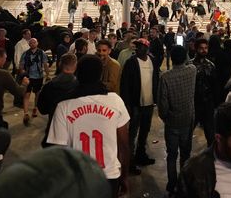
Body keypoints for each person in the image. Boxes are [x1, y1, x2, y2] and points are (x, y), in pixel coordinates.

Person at [48, 56, 130, 198]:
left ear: (77, 74)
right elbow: (124, 145)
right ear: (100, 75)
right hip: (109, 175)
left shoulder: (64, 106)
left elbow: (58, 151)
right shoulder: (115, 101)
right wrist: (124, 176)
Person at [157, 45, 197, 194]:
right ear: (185, 56)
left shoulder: (166, 77)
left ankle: (172, 183)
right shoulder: (192, 71)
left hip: (172, 121)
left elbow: (162, 104)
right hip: (188, 119)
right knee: (186, 154)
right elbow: (192, 63)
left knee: (172, 155)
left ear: (171, 59)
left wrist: (166, 117)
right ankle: (184, 182)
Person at [120, 38, 159, 174]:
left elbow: (156, 79)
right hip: (135, 104)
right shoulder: (131, 63)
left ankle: (141, 155)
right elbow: (124, 85)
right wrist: (127, 104)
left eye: (140, 46)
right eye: (136, 46)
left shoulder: (152, 61)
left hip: (149, 104)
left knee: (144, 131)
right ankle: (129, 163)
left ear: (146, 49)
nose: (137, 48)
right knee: (132, 134)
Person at [37, 53, 78, 147]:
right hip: (74, 132)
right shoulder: (80, 87)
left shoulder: (49, 86)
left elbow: (42, 110)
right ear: (75, 66)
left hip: (53, 131)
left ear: (60, 64)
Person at [193, 38, 218, 147]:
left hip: (208, 103)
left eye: (206, 48)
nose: (204, 51)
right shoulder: (190, 66)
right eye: (201, 48)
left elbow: (215, 85)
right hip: (194, 103)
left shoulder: (211, 65)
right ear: (196, 49)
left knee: (210, 132)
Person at [19, 38, 49, 125]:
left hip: (39, 77)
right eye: (31, 42)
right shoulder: (25, 53)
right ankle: (26, 113)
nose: (32, 44)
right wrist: (23, 75)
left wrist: (47, 74)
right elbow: (21, 65)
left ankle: (35, 108)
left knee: (37, 94)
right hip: (28, 77)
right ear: (29, 44)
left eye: (34, 42)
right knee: (26, 94)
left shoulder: (41, 53)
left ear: (37, 43)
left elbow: (45, 64)